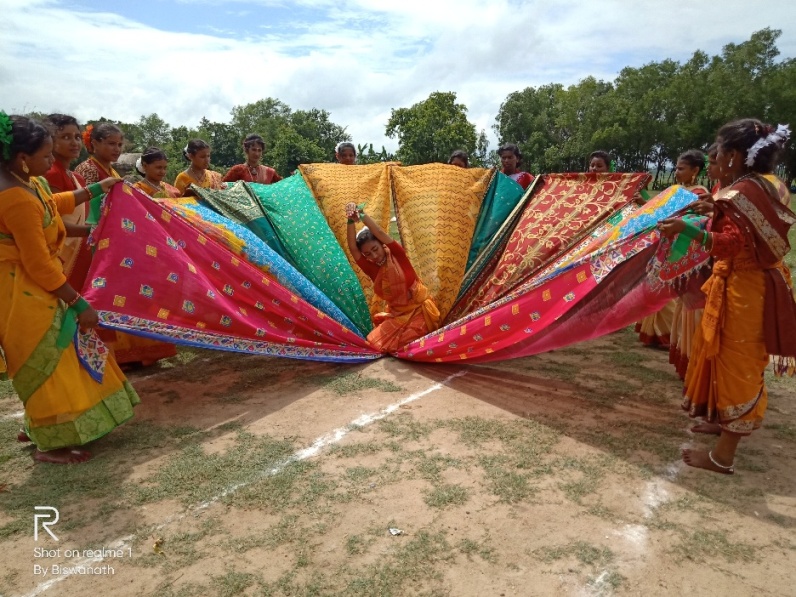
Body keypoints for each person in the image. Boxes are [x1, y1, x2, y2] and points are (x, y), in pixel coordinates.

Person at [658, 119, 796, 475]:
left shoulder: (742, 192)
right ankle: (721, 421)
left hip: (745, 289)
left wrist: (686, 229)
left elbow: (732, 244)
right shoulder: (766, 184)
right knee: (723, 354)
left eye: (718, 153)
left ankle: (723, 456)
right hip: (750, 283)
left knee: (737, 363)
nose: (714, 159)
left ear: (734, 156)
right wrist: (713, 210)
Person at [0, 113, 139, 464]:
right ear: (22, 157)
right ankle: (51, 444)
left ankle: (40, 426)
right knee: (46, 362)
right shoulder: (13, 197)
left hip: (40, 287)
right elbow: (38, 264)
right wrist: (78, 303)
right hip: (22, 293)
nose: (51, 161)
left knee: (61, 357)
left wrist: (97, 190)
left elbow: (54, 203)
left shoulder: (27, 181)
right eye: (46, 155)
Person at [345, 202, 441, 352]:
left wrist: (361, 214)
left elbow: (379, 232)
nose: (374, 256)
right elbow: (352, 248)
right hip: (398, 316)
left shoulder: (398, 254)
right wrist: (350, 219)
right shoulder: (372, 269)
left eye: (375, 249)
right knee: (374, 343)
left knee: (406, 344)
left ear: (382, 244)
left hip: (420, 312)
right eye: (368, 254)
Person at [665, 149, 711, 378]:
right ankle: (687, 360)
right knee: (685, 306)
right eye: (676, 167)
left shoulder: (700, 194)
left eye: (681, 168)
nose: (677, 172)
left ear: (695, 170)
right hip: (681, 256)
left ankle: (695, 363)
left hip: (694, 259)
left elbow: (700, 223)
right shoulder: (681, 191)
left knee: (694, 308)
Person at [43, 114, 90, 284]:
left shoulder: (78, 178)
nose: (74, 142)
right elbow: (54, 224)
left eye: (77, 137)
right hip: (59, 256)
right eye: (65, 137)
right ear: (49, 141)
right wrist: (93, 232)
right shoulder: (52, 174)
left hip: (78, 253)